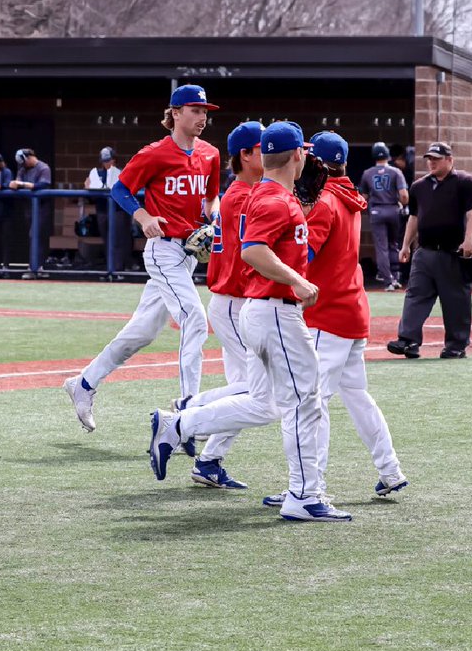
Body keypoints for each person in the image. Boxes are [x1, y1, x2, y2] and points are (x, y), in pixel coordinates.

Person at [147, 121, 351, 523]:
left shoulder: (268, 193)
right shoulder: (272, 198)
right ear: (296, 156)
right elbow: (253, 251)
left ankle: (180, 423)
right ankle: (304, 496)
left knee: (268, 402)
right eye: (304, 153)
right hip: (273, 309)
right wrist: (297, 279)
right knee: (302, 404)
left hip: (259, 310)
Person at [63, 84, 221, 432]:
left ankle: (84, 384)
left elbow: (212, 200)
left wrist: (215, 218)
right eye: (195, 110)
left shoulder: (210, 153)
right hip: (163, 250)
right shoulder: (155, 153)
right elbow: (120, 188)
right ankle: (188, 412)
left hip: (189, 254)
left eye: (205, 111)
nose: (202, 117)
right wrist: (144, 217)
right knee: (195, 319)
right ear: (175, 113)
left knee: (142, 332)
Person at [301, 131, 408, 500]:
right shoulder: (346, 194)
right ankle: (390, 469)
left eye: (310, 157)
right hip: (352, 310)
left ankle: (309, 486)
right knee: (357, 396)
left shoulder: (326, 201)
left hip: (328, 314)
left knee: (314, 402)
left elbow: (305, 258)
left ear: (321, 162)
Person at [173, 121, 265, 490]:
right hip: (234, 303)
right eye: (262, 149)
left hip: (234, 302)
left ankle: (208, 459)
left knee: (247, 391)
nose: (270, 154)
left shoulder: (241, 193)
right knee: (255, 391)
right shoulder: (243, 195)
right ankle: (185, 412)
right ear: (245, 155)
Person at [386, 141, 472, 360]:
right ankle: (408, 340)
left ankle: (456, 345)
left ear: (450, 159)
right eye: (429, 159)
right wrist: (406, 245)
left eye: (436, 159)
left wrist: (469, 240)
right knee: (415, 296)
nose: (432, 163)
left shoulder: (465, 183)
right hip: (425, 251)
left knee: (455, 300)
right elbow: (414, 217)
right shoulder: (419, 186)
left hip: (452, 252)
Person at [358, 141, 408, 290]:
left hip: (377, 211)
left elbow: (363, 196)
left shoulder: (368, 173)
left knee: (382, 247)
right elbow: (404, 195)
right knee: (394, 244)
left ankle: (388, 281)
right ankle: (395, 274)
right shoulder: (396, 172)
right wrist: (403, 205)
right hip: (393, 209)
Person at [84, 146, 132, 277]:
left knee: (119, 239)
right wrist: (88, 188)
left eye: (109, 160)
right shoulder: (96, 173)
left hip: (118, 211)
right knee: (106, 239)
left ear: (114, 160)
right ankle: (110, 268)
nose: (107, 164)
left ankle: (119, 269)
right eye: (105, 161)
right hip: (102, 210)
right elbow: (90, 196)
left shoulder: (121, 172)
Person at [9, 147, 53, 279]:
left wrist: (22, 184)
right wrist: (16, 184)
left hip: (41, 207)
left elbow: (43, 185)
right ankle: (38, 266)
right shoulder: (23, 168)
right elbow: (17, 182)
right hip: (28, 207)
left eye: (24, 161)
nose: (23, 165)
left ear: (29, 157)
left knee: (34, 235)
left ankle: (34, 266)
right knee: (34, 236)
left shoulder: (43, 168)